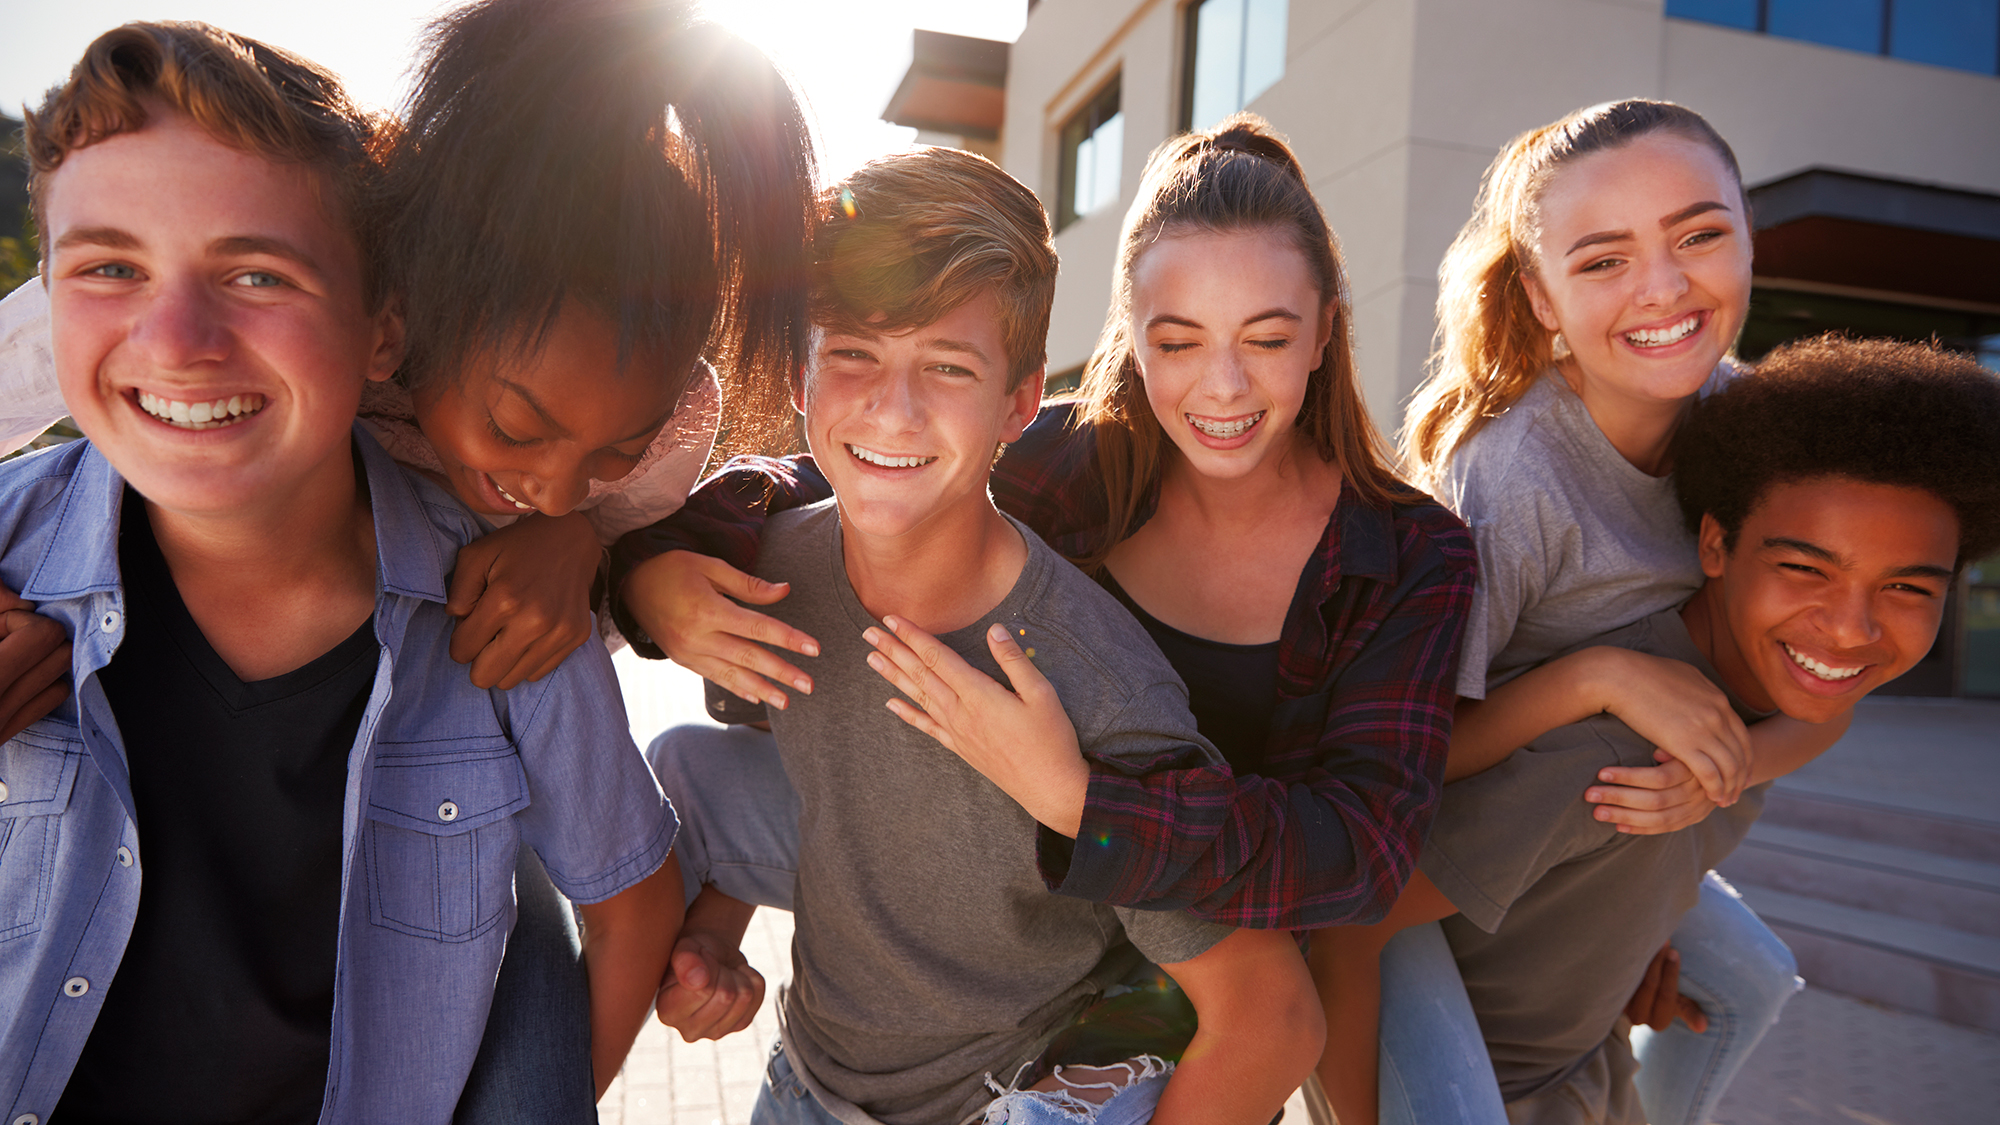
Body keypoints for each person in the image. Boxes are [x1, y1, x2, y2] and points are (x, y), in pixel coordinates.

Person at [0, 21, 687, 1123]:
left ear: (384, 333)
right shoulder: (12, 556)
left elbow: (628, 904)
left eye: (257, 273)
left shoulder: (498, 608)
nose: (177, 339)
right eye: (111, 266)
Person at [643, 146, 1323, 1125]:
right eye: (855, 356)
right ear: (803, 374)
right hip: (806, 1084)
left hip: (1000, 1100)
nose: (893, 406)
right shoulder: (768, 579)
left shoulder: (1097, 690)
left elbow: (1272, 1019)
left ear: (1017, 403)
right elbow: (811, 780)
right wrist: (711, 932)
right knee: (670, 766)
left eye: (947, 367)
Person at [1312, 99, 1834, 1125]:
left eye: (1698, 234)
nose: (1662, 285)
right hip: (1422, 866)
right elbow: (1405, 759)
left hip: (1601, 840)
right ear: (1541, 298)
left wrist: (1681, 816)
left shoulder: (1753, 431)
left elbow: (1824, 699)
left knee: (1748, 985)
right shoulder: (1509, 479)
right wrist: (1597, 677)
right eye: (1601, 261)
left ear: (1745, 237)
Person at [1332, 335, 2000, 1124]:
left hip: (1587, 1063)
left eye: (1904, 587)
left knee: (1750, 979)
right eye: (1806, 569)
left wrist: (1623, 938)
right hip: (1494, 1089)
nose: (1851, 631)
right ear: (1713, 545)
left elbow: (1826, 719)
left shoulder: (1775, 694)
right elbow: (1342, 926)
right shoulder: (1615, 763)